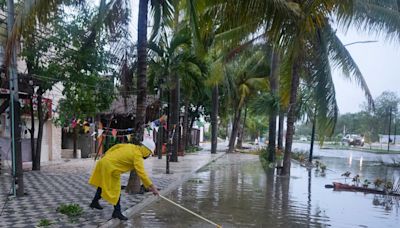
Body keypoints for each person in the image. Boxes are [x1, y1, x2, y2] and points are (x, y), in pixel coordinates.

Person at [88, 139, 159, 220]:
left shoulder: (131, 146)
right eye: (149, 153)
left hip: (103, 162)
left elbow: (116, 146)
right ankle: (117, 212)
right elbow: (142, 173)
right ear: (147, 150)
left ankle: (94, 202)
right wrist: (152, 187)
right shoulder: (138, 156)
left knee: (104, 184)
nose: (149, 155)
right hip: (111, 168)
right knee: (116, 190)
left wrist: (106, 155)